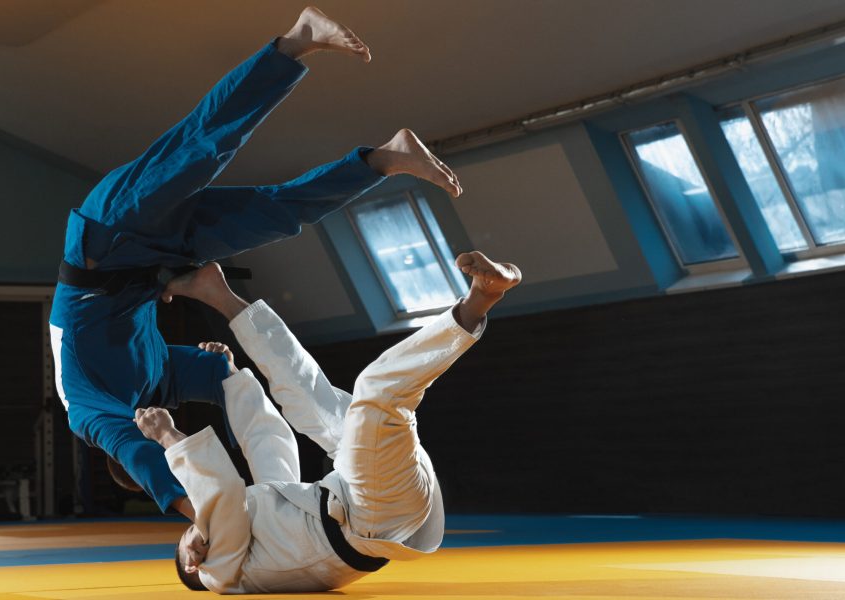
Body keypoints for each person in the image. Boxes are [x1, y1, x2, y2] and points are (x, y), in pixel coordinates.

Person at [49, 6, 462, 520]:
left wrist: (201, 517)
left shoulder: (88, 413)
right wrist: (260, 477)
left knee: (204, 148)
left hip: (107, 236)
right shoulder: (160, 386)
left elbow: (137, 454)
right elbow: (223, 383)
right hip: (162, 256)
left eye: (166, 456)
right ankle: (385, 158)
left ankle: (296, 40)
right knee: (277, 214)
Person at [134, 250, 522, 593]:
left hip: (365, 494)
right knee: (376, 391)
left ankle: (221, 296)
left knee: (305, 399)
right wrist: (169, 437)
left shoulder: (254, 532)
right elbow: (219, 497)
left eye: (190, 533)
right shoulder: (219, 575)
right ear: (192, 565)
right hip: (370, 517)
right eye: (190, 538)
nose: (197, 532)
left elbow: (269, 440)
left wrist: (232, 377)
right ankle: (477, 303)